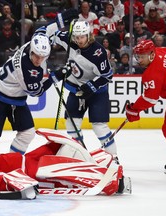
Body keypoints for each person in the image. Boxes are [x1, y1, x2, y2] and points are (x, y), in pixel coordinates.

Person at [0, 9, 78, 155]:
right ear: (32, 50)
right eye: (36, 56)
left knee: (27, 133)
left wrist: (62, 19)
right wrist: (56, 76)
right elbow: (37, 92)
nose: (38, 60)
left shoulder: (36, 40)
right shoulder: (27, 69)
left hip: (15, 97)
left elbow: (45, 29)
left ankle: (13, 161)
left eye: (42, 57)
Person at [0, 129, 132, 197]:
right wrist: (21, 184)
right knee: (60, 165)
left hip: (26, 159)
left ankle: (99, 159)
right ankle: (111, 181)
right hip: (27, 169)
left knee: (58, 146)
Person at [38, 20, 119, 160]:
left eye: (82, 37)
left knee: (99, 126)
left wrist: (91, 86)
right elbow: (51, 34)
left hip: (97, 92)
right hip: (76, 89)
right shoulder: (69, 38)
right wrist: (45, 40)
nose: (79, 40)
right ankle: (81, 156)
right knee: (71, 123)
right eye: (76, 37)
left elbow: (107, 75)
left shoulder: (98, 53)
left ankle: (113, 158)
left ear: (89, 35)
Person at [125, 39, 166, 182]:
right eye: (138, 56)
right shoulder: (160, 51)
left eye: (142, 56)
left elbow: (150, 99)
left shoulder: (152, 73)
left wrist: (134, 110)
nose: (139, 59)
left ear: (151, 54)